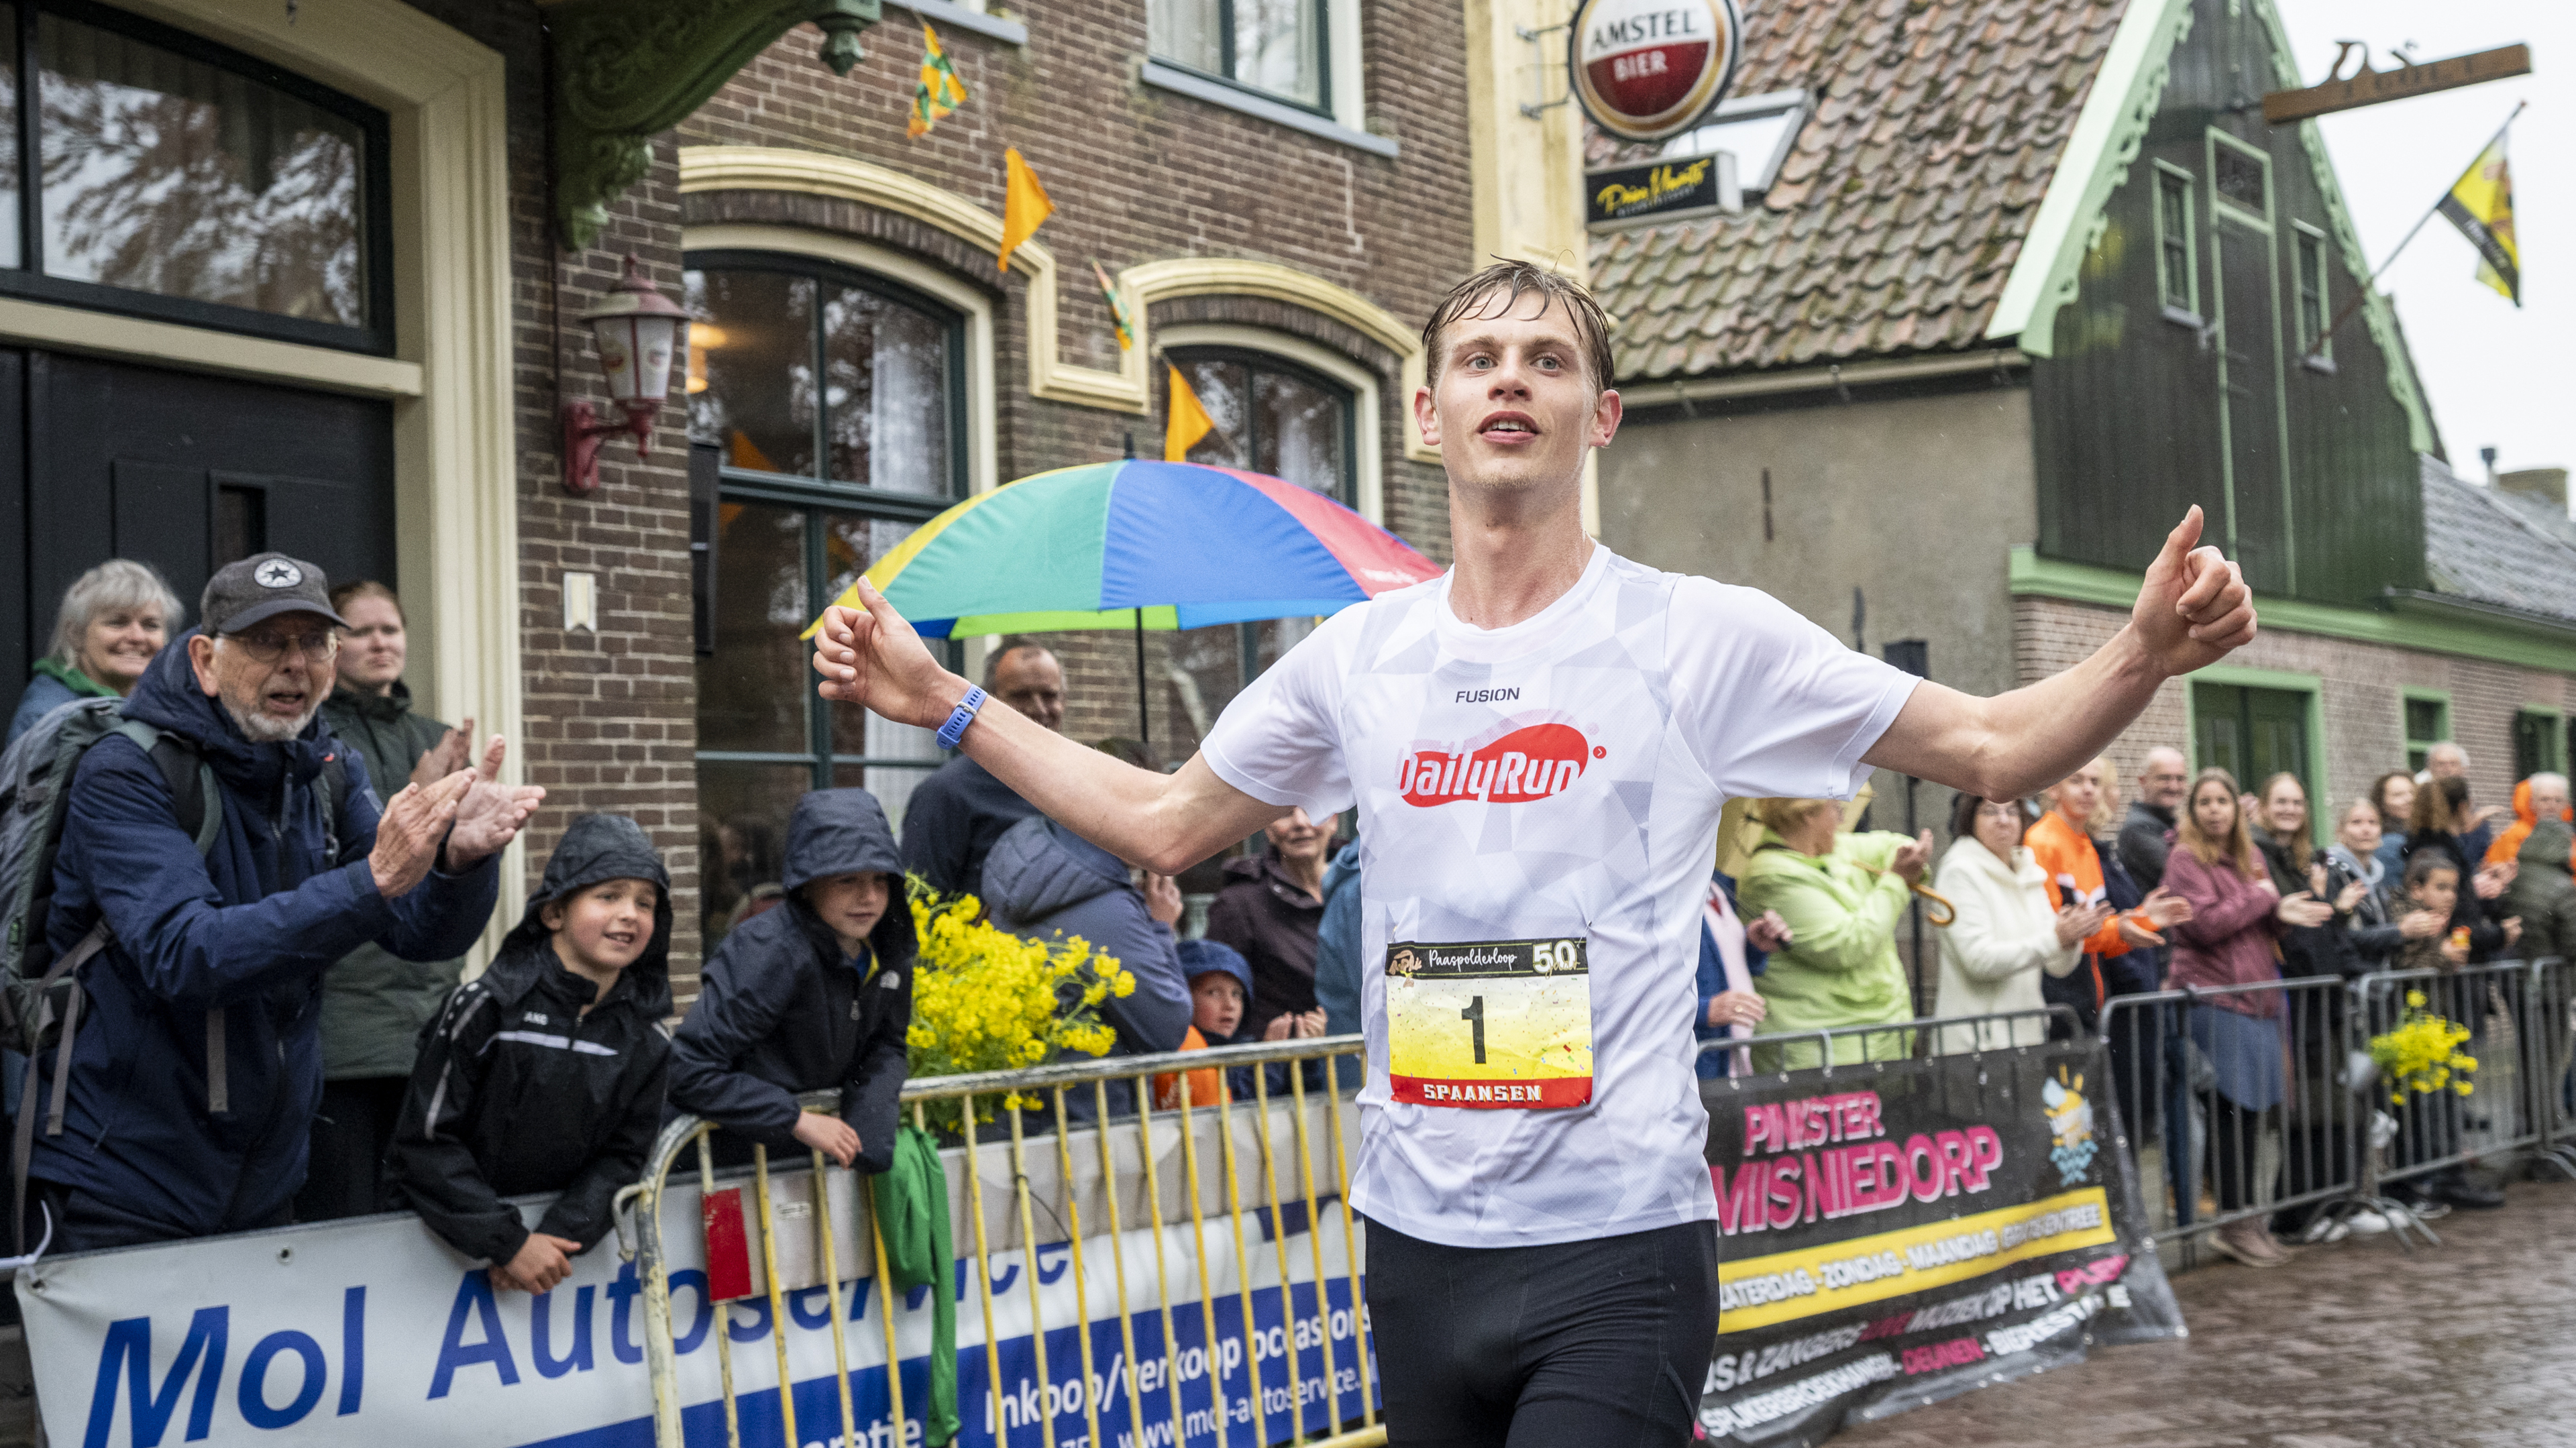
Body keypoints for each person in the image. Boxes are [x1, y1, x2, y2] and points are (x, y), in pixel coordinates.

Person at [806, 260, 2257, 1445]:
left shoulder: (1698, 634)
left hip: (1619, 1244)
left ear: (1599, 414)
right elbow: (1163, 821)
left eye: (1548, 360)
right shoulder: (1358, 657)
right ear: (1429, 411)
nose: (1512, 379)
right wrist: (949, 703)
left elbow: (1992, 743)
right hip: (1414, 1243)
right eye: (1482, 358)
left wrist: (2139, 653)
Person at [27, 553, 539, 1249]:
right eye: (267, 641)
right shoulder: (125, 770)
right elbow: (186, 952)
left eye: (314, 641)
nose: (295, 663)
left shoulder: (328, 768)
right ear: (206, 660)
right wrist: (373, 879)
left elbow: (419, 931)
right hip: (123, 1179)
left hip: (266, 1183)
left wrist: (460, 861)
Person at [388, 814, 672, 1290]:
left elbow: (625, 1159)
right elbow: (425, 1143)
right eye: (609, 896)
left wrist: (551, 1244)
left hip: (552, 1269)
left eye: (646, 903)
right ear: (554, 913)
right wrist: (509, 1242)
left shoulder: (649, 1039)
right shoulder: (486, 1007)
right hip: (433, 1263)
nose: (630, 913)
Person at [300, 580, 478, 1221]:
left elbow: (450, 883)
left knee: (421, 1216)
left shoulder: (433, 736)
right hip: (346, 1032)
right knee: (347, 1219)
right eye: (363, 630)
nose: (381, 643)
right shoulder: (312, 738)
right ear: (331, 643)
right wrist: (416, 798)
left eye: (392, 629)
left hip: (430, 1023)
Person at [671, 789, 916, 1172]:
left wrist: (870, 1127)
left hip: (807, 1161)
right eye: (848, 880)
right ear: (808, 882)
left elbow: (887, 1043)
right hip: (728, 1164)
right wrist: (795, 1119)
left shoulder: (888, 950)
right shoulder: (768, 951)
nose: (869, 897)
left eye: (881, 880)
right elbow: (688, 1068)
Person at [2161, 769, 2331, 1268]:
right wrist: (2262, 897)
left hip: (2258, 998)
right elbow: (2204, 924)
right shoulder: (2184, 858)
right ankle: (2232, 1222)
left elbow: (2260, 922)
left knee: (2253, 1114)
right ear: (2193, 810)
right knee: (2229, 1112)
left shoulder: (2250, 855)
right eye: (2205, 801)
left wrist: (2283, 913)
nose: (2215, 809)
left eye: (2223, 801)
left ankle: (2248, 1216)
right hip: (2216, 998)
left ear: (2237, 808)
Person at [1737, 799, 1932, 1068]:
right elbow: (1849, 944)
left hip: (1875, 1040)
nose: (1841, 820)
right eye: (1836, 810)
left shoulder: (1830, 847)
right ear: (1808, 814)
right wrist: (1897, 880)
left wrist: (1910, 857)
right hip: (1824, 1054)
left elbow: (1893, 846)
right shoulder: (1769, 875)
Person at [1931, 794, 2105, 1054]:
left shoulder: (2029, 870)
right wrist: (2056, 940)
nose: (2003, 820)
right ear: (1970, 819)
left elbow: (2057, 965)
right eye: (1990, 811)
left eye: (2012, 812)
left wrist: (2071, 938)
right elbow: (1979, 960)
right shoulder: (1960, 872)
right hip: (1976, 1044)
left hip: (2026, 1040)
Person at [2027, 758, 2190, 1032]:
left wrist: (2143, 920)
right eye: (2076, 780)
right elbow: (2059, 933)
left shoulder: (2085, 845)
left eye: (2095, 782)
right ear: (2053, 788)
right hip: (2059, 996)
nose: (2088, 789)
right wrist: (2129, 925)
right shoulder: (2041, 842)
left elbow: (2097, 933)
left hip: (2092, 997)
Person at [900, 641, 1065, 900]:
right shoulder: (946, 794)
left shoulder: (1079, 784)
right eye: (1021, 696)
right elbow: (919, 904)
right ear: (988, 702)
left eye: (1049, 695)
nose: (1039, 709)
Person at [7, 559, 181, 743]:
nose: (137, 637)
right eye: (117, 623)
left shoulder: (171, 706)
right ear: (76, 634)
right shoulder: (47, 719)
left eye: (151, 625)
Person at [1206, 806, 1338, 1041]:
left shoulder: (1364, 888)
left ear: (1334, 820)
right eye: (1286, 813)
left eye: (1312, 809)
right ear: (1268, 828)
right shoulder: (1239, 905)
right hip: (1281, 1059)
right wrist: (1265, 1046)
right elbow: (1214, 1016)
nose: (1300, 823)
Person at [2402, 777, 2518, 964]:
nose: (2450, 895)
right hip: (2450, 964)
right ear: (2464, 807)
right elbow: (2459, 924)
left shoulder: (2428, 849)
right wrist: (2500, 934)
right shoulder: (2444, 856)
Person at [1693, 871, 1780, 1078]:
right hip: (1697, 1065)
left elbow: (1716, 962)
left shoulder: (1717, 883)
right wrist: (1702, 1011)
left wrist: (1753, 946)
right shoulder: (1661, 892)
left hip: (1733, 1059)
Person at [1153, 940, 1251, 1111]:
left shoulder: (1248, 1048)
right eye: (1214, 993)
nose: (1230, 1005)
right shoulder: (1175, 1048)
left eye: (1236, 994)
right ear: (1184, 996)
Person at [2498, 779, 2576, 964]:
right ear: (2532, 802)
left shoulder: (2568, 835)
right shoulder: (2513, 836)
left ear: (2566, 804)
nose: (2551, 805)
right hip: (2549, 959)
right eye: (2545, 799)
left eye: (2558, 800)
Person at [2118, 746, 2190, 890]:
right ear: (2143, 781)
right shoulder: (2138, 829)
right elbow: (2186, 873)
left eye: (2180, 779)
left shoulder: (2171, 823)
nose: (2174, 786)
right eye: (2165, 778)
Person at [2422, 743, 2502, 860]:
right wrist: (2469, 828)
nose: (2447, 769)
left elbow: (2482, 853)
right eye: (2441, 764)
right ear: (2429, 769)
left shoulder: (2474, 809)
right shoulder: (2422, 805)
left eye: (2453, 764)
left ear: (2464, 769)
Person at [2370, 771, 2416, 878]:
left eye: (2413, 793)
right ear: (2382, 803)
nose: (2409, 799)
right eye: (2398, 795)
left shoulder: (2420, 833)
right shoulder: (2387, 843)